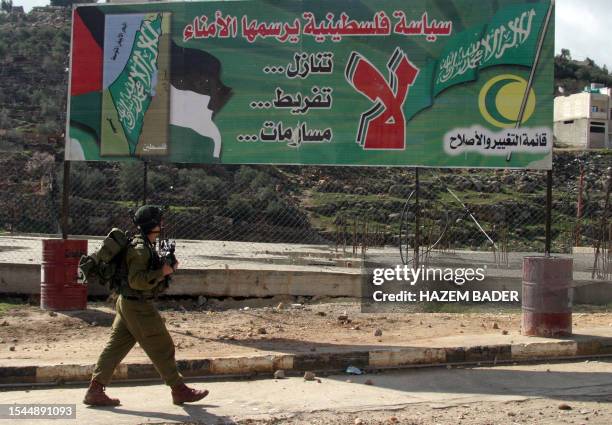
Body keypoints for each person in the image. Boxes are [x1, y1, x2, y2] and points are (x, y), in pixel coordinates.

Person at [83, 205, 208, 406]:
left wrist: (166, 266)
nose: (162, 224)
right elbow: (137, 281)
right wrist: (163, 272)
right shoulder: (140, 249)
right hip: (138, 305)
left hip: (126, 303)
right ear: (152, 225)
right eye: (159, 221)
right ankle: (179, 390)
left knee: (115, 347)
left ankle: (95, 390)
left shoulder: (143, 244)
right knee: (162, 345)